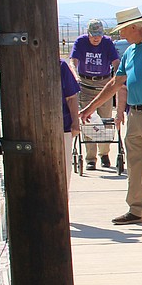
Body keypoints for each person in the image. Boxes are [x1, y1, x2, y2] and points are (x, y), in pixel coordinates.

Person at [80, 7, 142, 225]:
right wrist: (90, 108)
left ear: (135, 27)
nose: (121, 36)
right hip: (135, 113)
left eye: (123, 31)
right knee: (134, 163)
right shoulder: (131, 51)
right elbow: (116, 82)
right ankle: (136, 208)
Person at [68, 19, 120, 170]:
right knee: (88, 121)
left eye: (99, 35)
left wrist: (117, 75)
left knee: (105, 121)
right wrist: (75, 75)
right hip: (85, 84)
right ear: (88, 33)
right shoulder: (81, 42)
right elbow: (73, 61)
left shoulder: (107, 43)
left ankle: (104, 154)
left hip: (104, 85)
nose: (96, 38)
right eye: (93, 35)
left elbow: (116, 61)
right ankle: (90, 158)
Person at [60, 59, 81, 190]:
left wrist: (75, 123)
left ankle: (63, 203)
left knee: (64, 171)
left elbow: (72, 97)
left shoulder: (61, 66)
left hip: (63, 126)